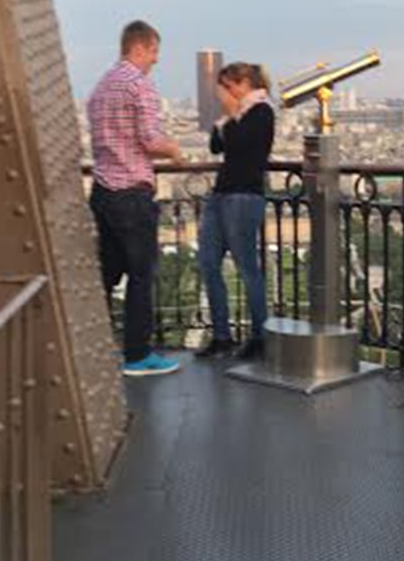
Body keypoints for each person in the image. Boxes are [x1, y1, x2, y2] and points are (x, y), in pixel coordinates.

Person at [88, 20, 182, 376]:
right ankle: (138, 354)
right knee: (142, 274)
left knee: (107, 274)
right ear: (139, 47)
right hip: (131, 193)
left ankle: (91, 343)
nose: (156, 60)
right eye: (154, 51)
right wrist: (174, 151)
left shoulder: (101, 87)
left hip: (103, 192)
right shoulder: (138, 86)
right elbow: (150, 140)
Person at [196, 62, 274, 360]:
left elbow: (242, 147)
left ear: (244, 84)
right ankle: (221, 335)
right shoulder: (238, 115)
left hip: (244, 195)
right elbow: (216, 146)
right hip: (222, 195)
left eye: (228, 87)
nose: (224, 94)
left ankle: (260, 336)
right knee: (208, 263)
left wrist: (230, 115)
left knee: (246, 268)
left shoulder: (262, 112)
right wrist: (227, 118)